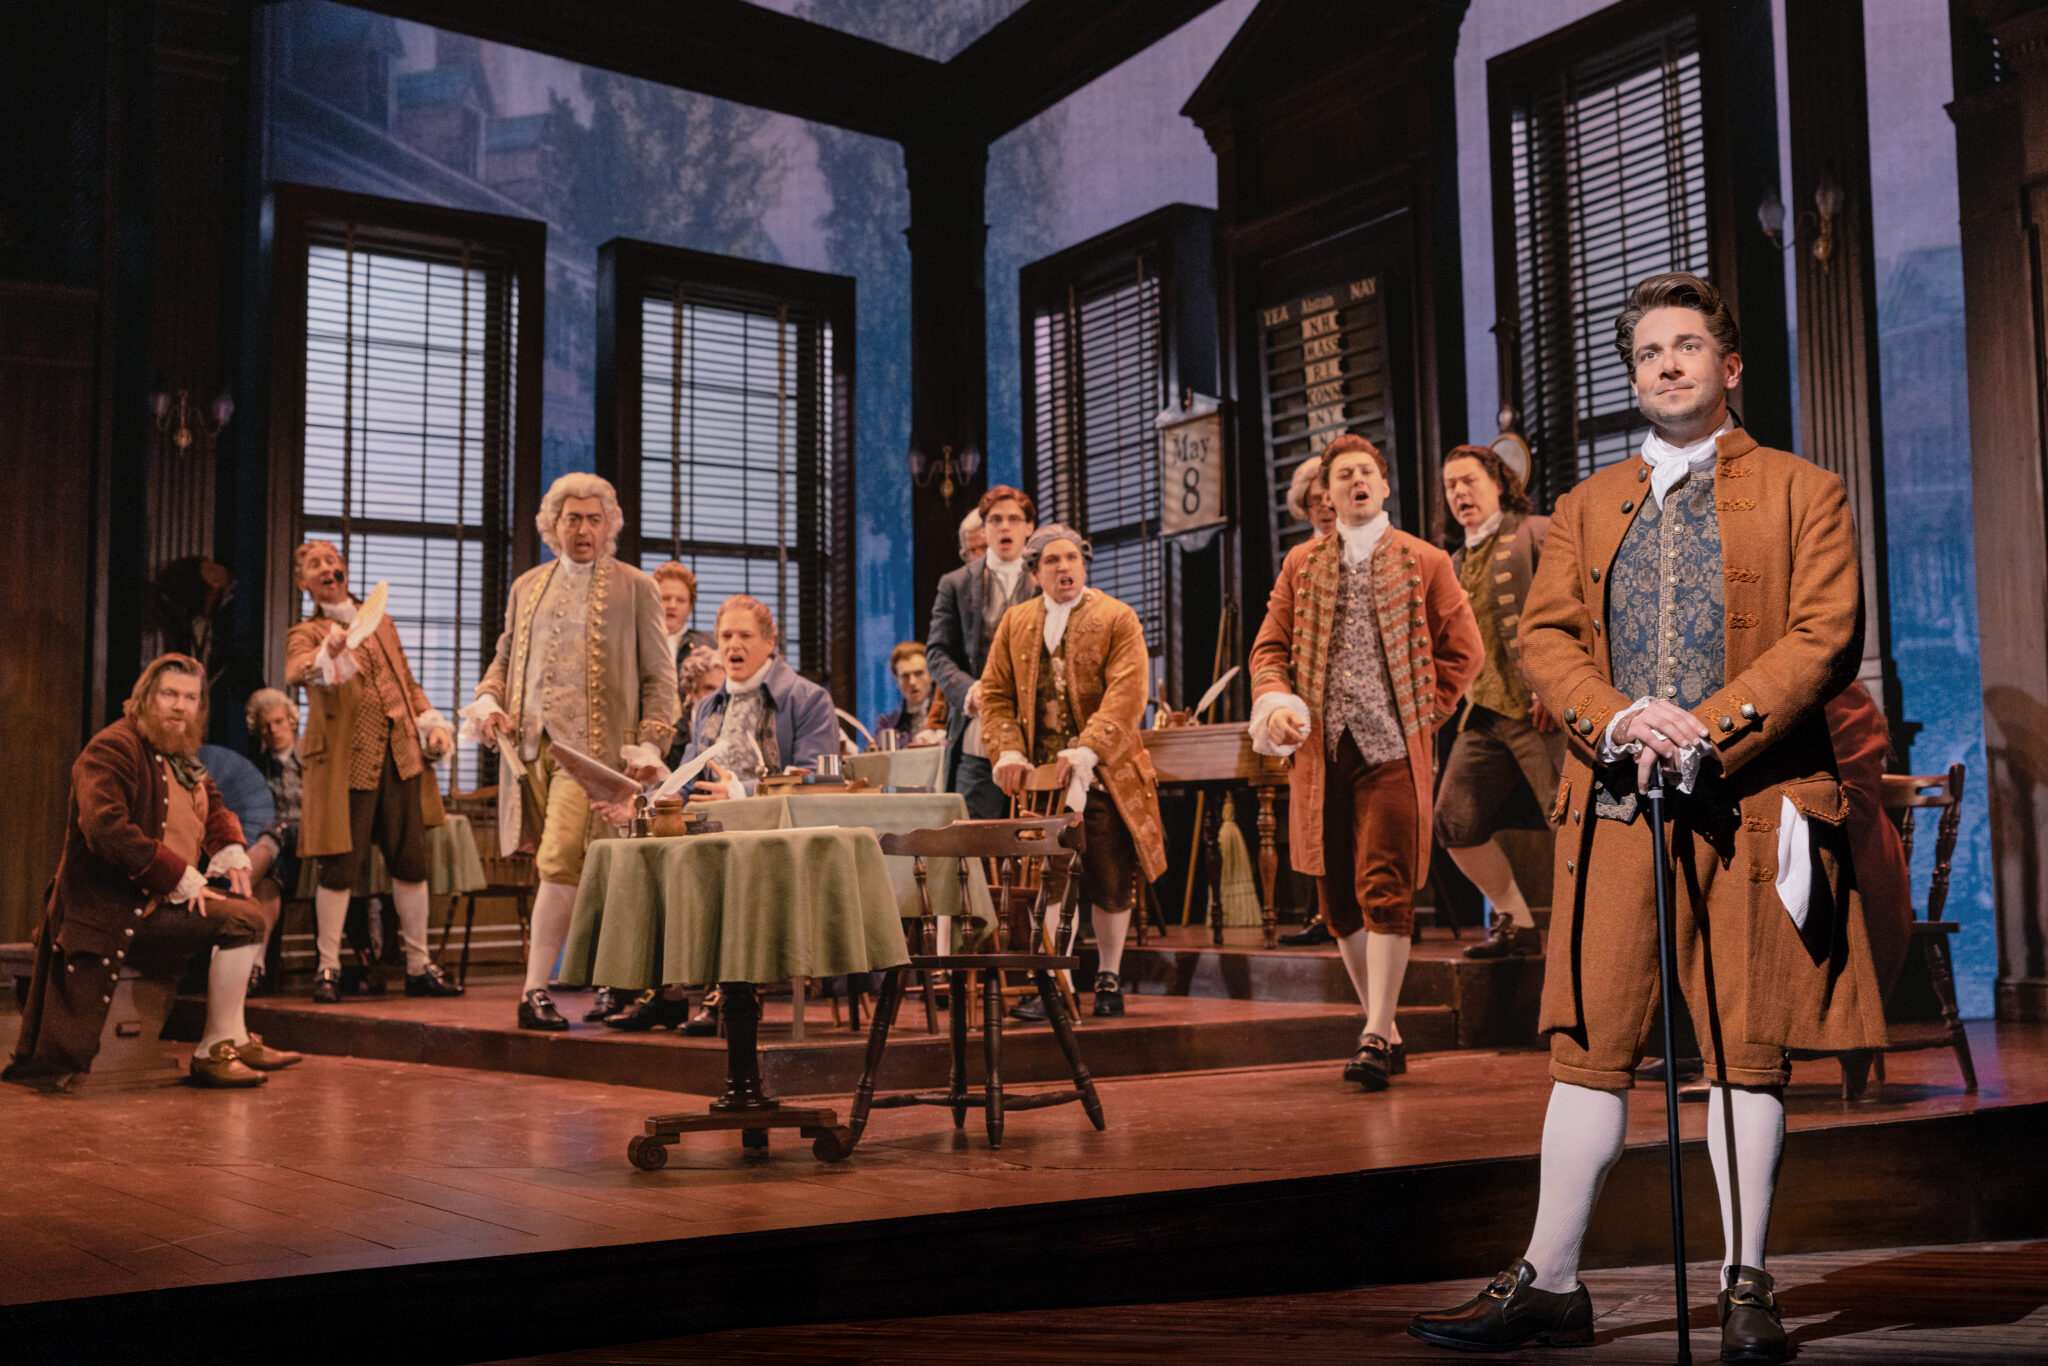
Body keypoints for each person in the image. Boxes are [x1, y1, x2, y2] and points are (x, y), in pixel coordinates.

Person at [1411, 273, 1883, 1364]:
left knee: (1747, 1046)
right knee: (1589, 1041)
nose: (1666, 364)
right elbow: (1544, 638)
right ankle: (1549, 1282)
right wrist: (1620, 718)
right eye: (1646, 354)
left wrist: (1705, 730)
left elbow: (1823, 636)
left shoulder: (1805, 491)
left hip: (1754, 805)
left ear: (1729, 365)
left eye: (1687, 346)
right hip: (1615, 803)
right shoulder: (1584, 505)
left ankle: (1745, 1287)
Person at [1248, 433, 1483, 1090]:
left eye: (1365, 472)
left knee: (1385, 886)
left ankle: (1375, 1033)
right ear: (1327, 494)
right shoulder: (1302, 564)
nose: (1355, 482)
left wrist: (1424, 710)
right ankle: (1386, 1028)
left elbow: (1464, 650)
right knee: (1337, 899)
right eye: (1342, 475)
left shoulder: (1424, 559)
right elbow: (1269, 648)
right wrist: (1275, 699)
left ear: (1382, 486)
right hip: (1321, 753)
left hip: (1391, 753)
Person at [4, 655, 301, 1089]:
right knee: (243, 919)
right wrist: (177, 875)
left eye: (191, 698)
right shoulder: (113, 747)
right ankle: (214, 1050)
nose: (181, 707)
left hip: (153, 901)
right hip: (109, 910)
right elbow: (105, 828)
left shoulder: (178, 746)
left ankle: (233, 1036)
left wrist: (231, 846)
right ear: (145, 697)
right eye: (170, 695)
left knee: (248, 912)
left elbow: (212, 801)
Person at [462, 473, 676, 1032]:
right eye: (573, 518)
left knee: (559, 859)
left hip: (593, 758)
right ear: (553, 525)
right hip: (530, 751)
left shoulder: (636, 587)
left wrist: (650, 743)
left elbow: (660, 677)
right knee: (565, 868)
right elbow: (505, 658)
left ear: (610, 526)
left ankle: (534, 990)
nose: (583, 530)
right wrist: (488, 700)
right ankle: (611, 979)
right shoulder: (527, 586)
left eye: (594, 519)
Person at [981, 524, 1167, 1019]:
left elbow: (1128, 692)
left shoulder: (1116, 616)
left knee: (1110, 876)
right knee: (1051, 878)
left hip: (1104, 775)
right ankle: (1057, 985)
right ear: (1034, 573)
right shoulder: (1016, 621)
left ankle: (1108, 976)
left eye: (1072, 559)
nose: (1064, 568)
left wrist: (1089, 750)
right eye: (1052, 561)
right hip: (1044, 783)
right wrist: (1008, 753)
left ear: (1084, 565)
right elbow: (995, 693)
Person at [286, 540, 464, 1004]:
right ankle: (327, 968)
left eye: (332, 560)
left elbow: (406, 682)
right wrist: (326, 651)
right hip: (346, 763)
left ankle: (418, 966)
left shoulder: (381, 622)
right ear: (303, 582)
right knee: (339, 866)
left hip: (400, 757)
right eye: (315, 565)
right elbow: (298, 671)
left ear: (343, 569)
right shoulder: (308, 632)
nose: (327, 568)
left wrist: (431, 723)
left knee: (411, 863)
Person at [1433, 444, 1565, 960]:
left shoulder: (1536, 532)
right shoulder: (1453, 562)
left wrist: (1554, 685)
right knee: (1455, 820)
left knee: (1573, 822)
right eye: (1451, 486)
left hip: (1541, 712)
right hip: (1484, 713)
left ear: (1498, 484)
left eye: (1469, 481)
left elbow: (1577, 610)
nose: (1459, 493)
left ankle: (1594, 938)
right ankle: (1517, 924)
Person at [928, 485, 1039, 817]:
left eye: (1014, 519)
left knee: (1037, 835)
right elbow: (937, 652)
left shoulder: (1044, 578)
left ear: (1029, 527)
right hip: (978, 734)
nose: (1005, 527)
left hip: (1036, 736)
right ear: (985, 528)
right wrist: (969, 691)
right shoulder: (956, 583)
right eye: (995, 520)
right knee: (975, 834)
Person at [679, 594, 840, 798]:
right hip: (711, 817)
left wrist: (738, 791)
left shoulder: (810, 700)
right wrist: (657, 798)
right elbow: (688, 782)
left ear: (769, 642)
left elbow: (814, 779)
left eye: (745, 635)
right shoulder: (708, 706)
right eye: (726, 636)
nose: (734, 645)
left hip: (779, 818)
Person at [244, 688, 304, 991]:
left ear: (292, 722)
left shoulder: (311, 761)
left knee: (275, 834)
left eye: (279, 722)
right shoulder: (255, 767)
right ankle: (256, 963)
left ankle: (238, 884)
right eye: (266, 726)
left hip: (309, 843)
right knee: (267, 884)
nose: (274, 730)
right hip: (275, 856)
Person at [876, 642, 934, 748]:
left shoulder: (948, 717)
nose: (912, 682)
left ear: (932, 675)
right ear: (897, 681)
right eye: (905, 676)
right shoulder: (886, 725)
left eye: (918, 673)